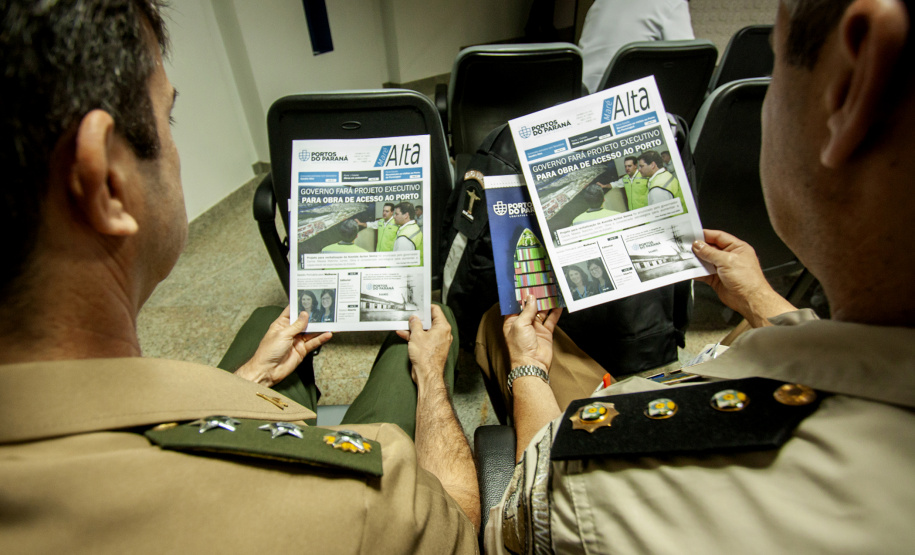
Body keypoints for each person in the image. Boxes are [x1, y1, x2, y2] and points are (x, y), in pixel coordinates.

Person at [0, 1, 479, 551]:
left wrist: (248, 378)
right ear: (107, 179)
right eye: (168, 117)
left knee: (262, 323)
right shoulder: (358, 505)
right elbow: (461, 526)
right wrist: (434, 384)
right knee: (420, 345)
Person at [481, 0, 915, 551]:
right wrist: (761, 300)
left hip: (613, 426)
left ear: (855, 81)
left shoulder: (604, 490)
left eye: (778, 63)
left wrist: (528, 371)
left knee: (501, 322)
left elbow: (519, 520)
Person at [578, 0, 694, 93]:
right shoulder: (673, 3)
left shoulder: (600, 2)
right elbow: (692, 64)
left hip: (580, 96)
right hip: (625, 102)